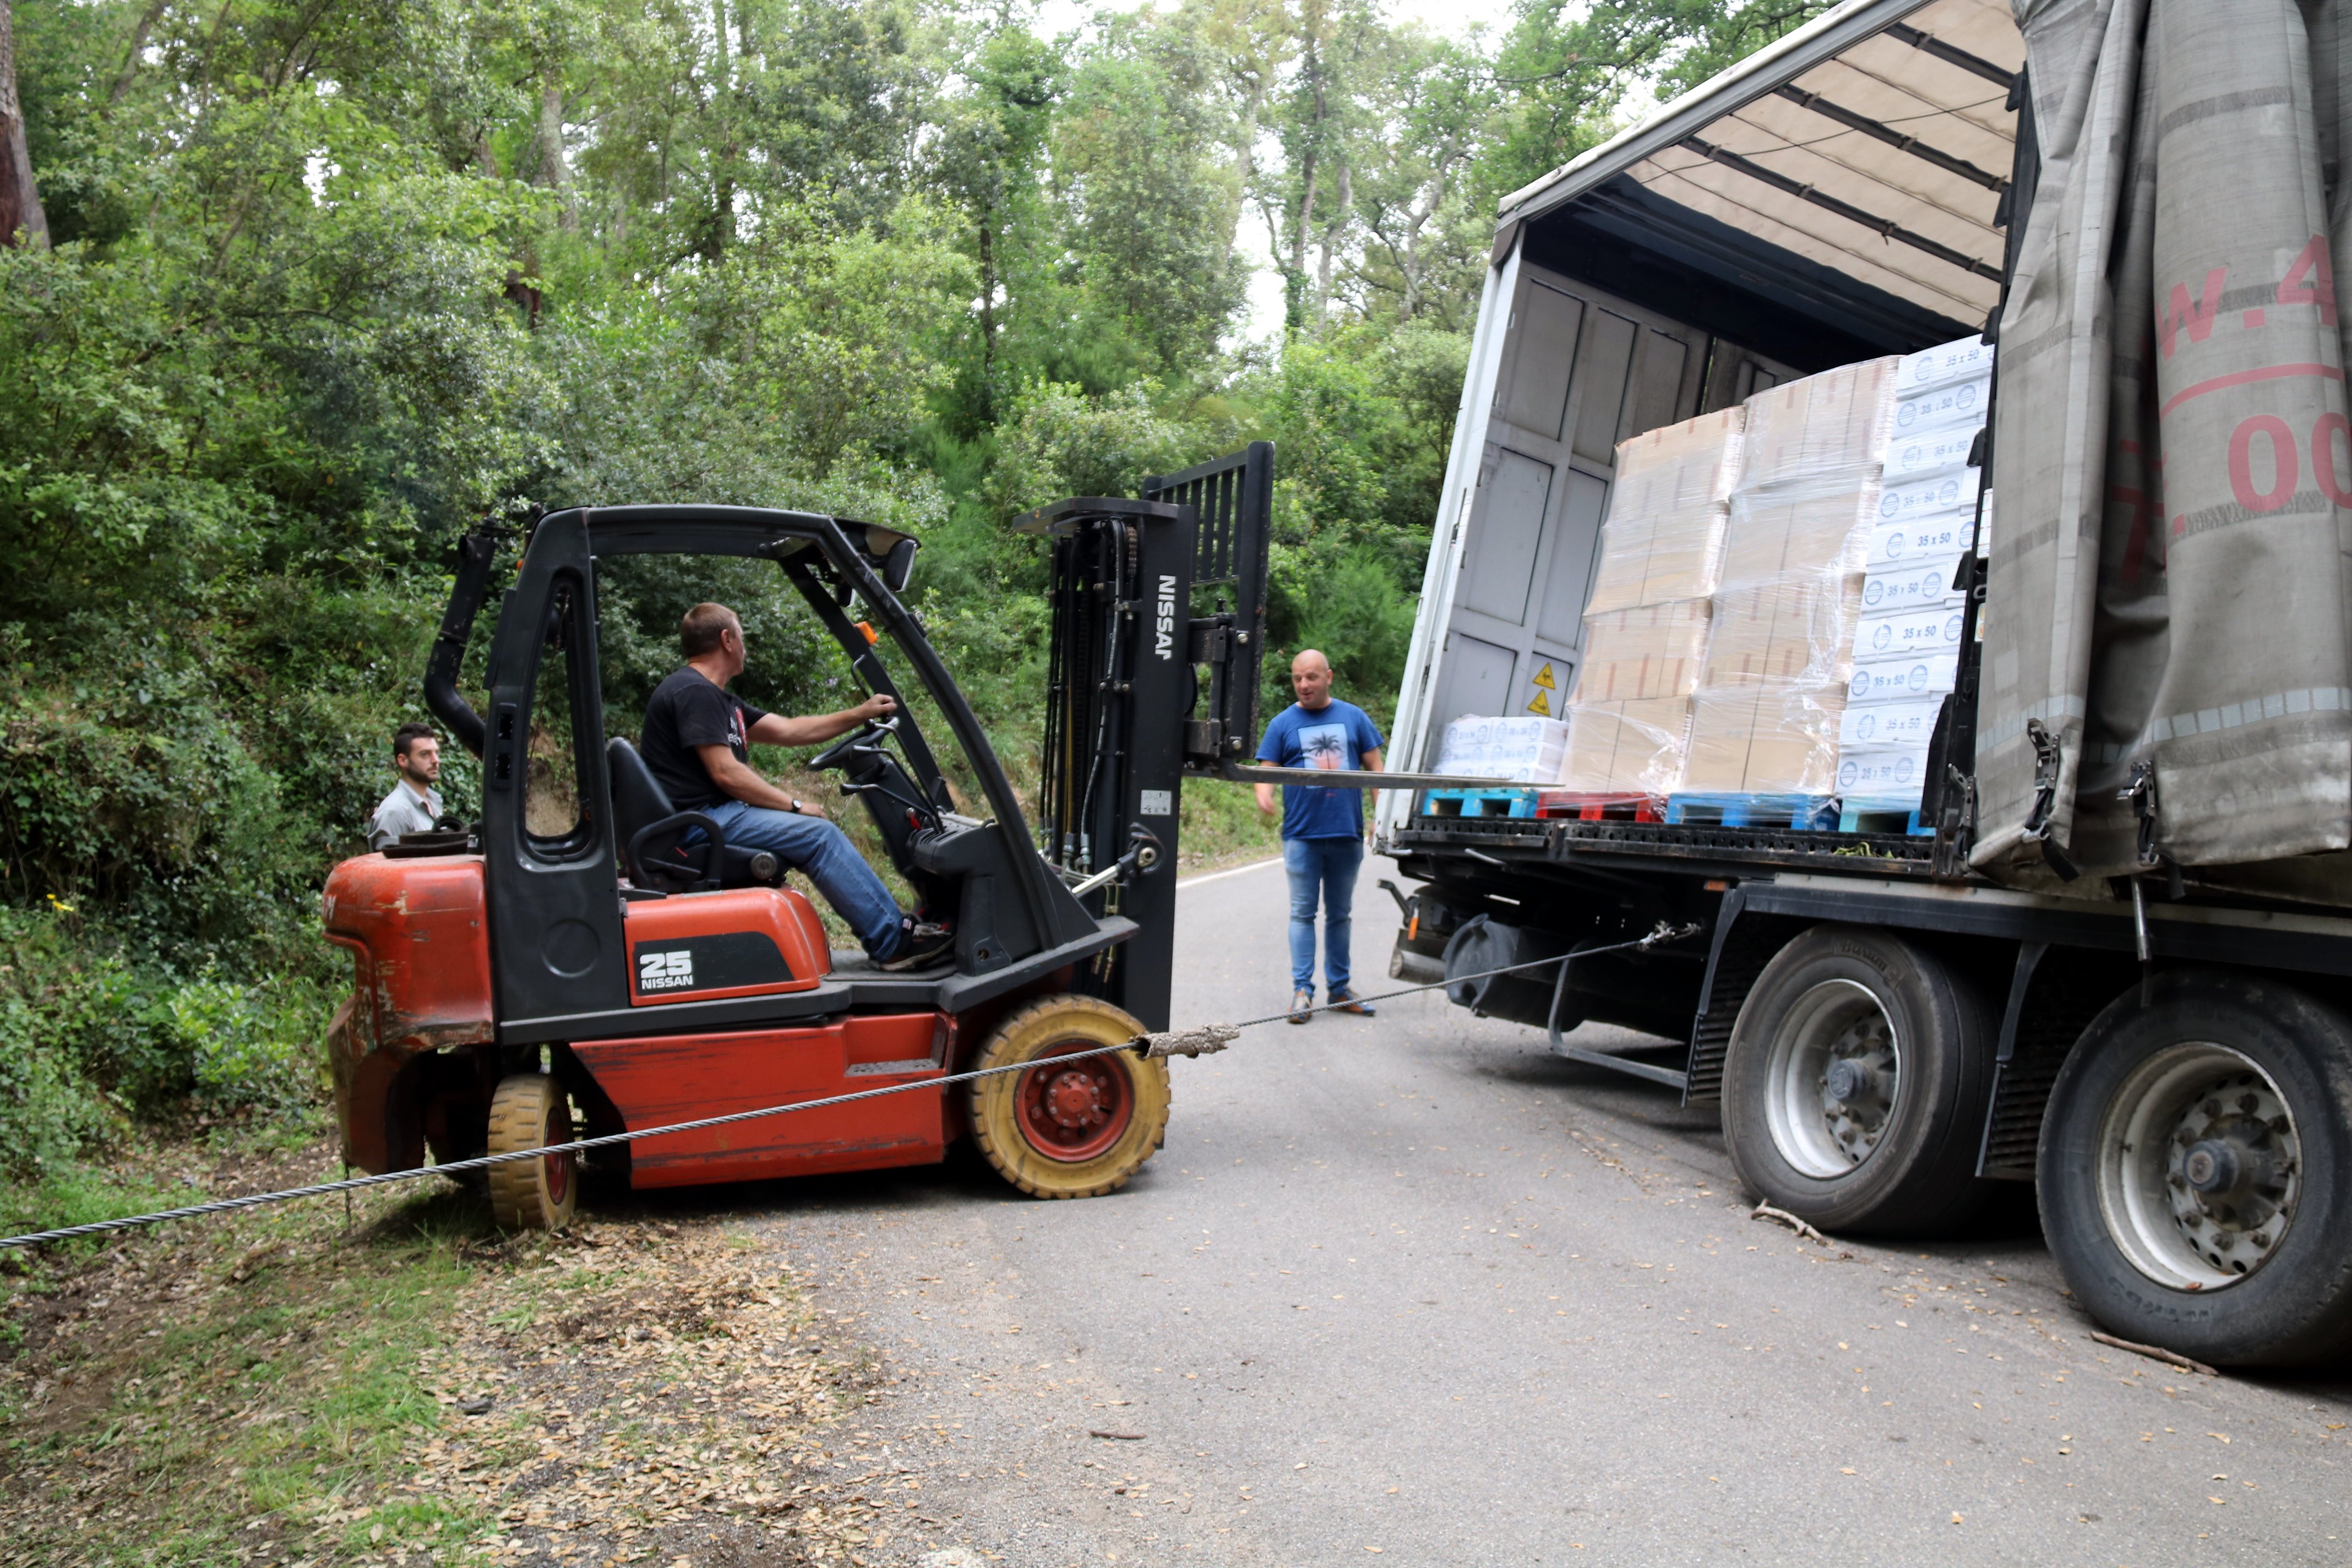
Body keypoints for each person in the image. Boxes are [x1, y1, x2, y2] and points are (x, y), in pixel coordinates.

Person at [639, 602, 952, 970]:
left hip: (709, 817)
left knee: (817, 833)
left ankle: (894, 931)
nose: (745, 645)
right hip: (698, 823)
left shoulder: (717, 699)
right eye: (742, 636)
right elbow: (726, 773)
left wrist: (861, 713)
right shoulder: (693, 692)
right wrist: (795, 806)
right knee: (819, 835)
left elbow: (790, 731)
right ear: (726, 640)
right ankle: (892, 942)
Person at [1254, 649, 1385, 1024]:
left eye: (1311, 677)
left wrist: (1381, 815)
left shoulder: (1353, 717)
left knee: (1340, 915)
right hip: (1301, 836)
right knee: (1302, 913)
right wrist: (1264, 793)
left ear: (1329, 676)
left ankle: (1340, 990)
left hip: (1346, 834)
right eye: (1297, 678)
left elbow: (1376, 767)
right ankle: (1302, 992)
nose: (1304, 685)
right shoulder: (1282, 723)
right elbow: (1266, 769)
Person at [369, 722, 444, 850]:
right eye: (425, 754)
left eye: (436, 753)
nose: (436, 760)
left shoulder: (434, 802)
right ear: (403, 761)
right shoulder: (395, 812)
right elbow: (387, 868)